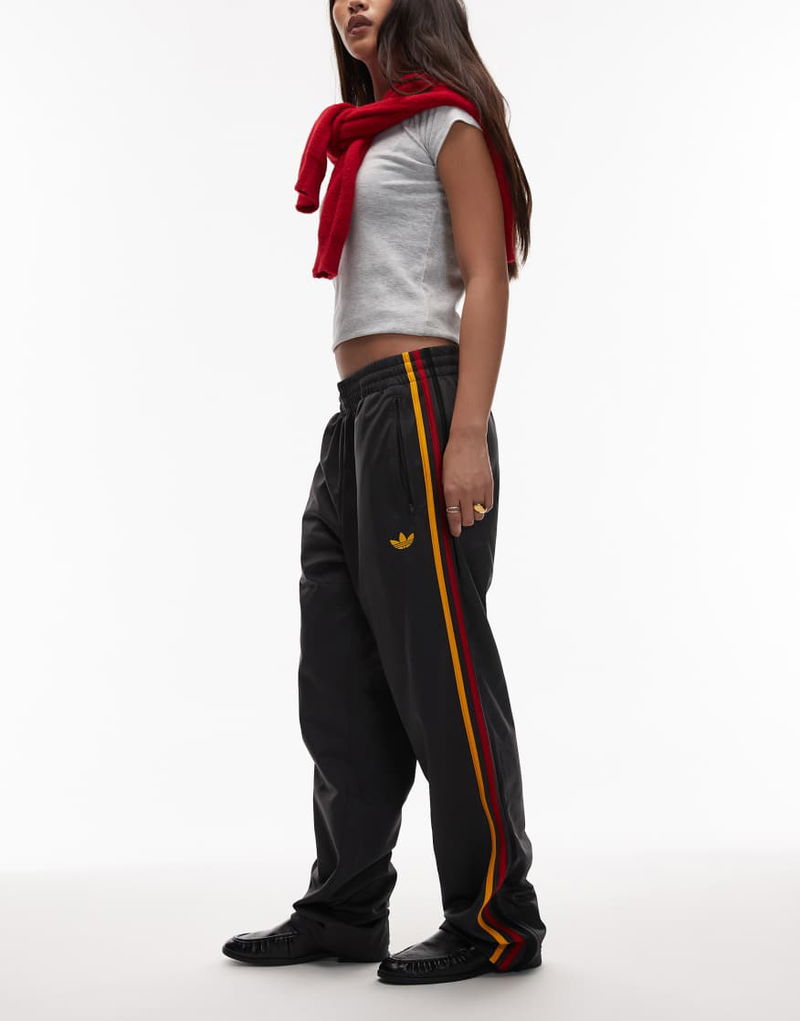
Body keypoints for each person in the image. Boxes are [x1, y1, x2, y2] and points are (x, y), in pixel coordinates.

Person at [222, 0, 546, 985]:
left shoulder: (447, 121)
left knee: (439, 672)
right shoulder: (364, 129)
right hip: (357, 414)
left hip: (422, 403)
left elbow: (488, 276)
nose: (352, 2)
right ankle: (345, 905)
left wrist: (465, 434)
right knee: (338, 669)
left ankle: (496, 920)